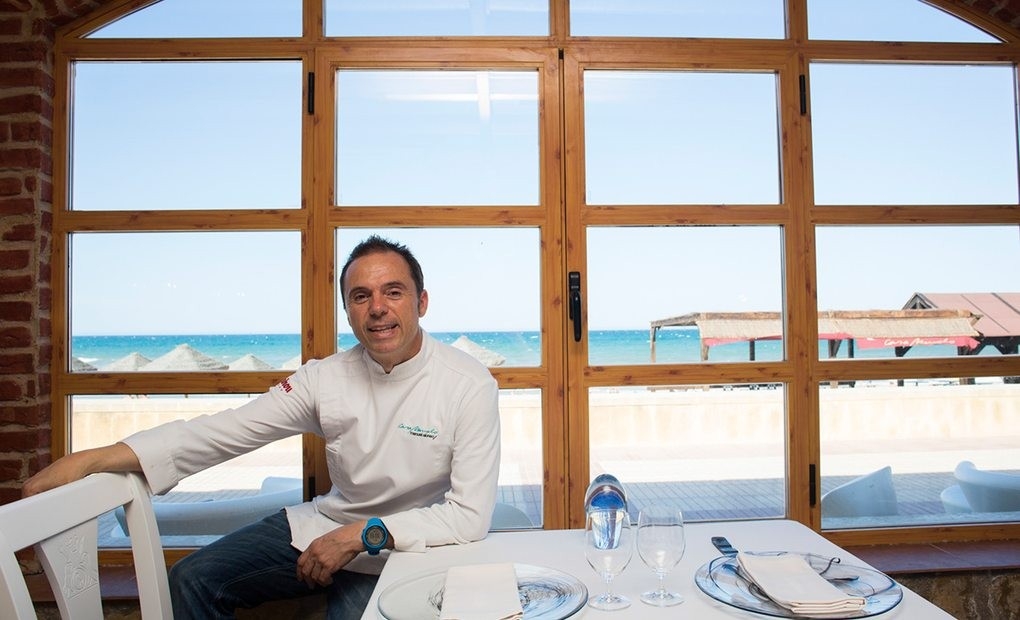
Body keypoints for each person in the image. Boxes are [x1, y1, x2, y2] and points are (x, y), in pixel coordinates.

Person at [23, 235, 502, 619]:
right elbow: (225, 431)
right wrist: (94, 457)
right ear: (350, 311)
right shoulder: (324, 378)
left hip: (411, 547)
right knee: (191, 580)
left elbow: (467, 516)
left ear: (421, 301)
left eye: (393, 292)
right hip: (326, 523)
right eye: (361, 296)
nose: (378, 307)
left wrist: (361, 535)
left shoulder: (468, 384)